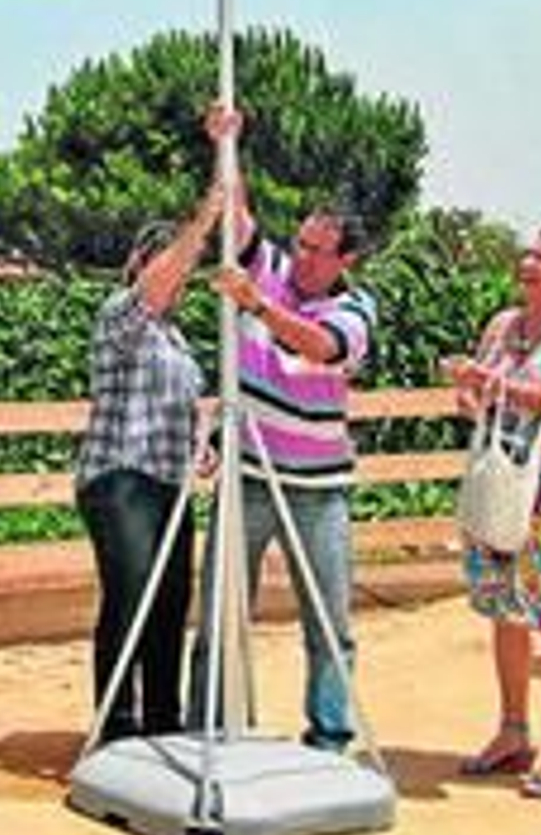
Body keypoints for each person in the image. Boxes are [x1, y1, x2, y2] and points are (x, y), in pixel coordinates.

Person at [190, 108, 376, 752]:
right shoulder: (265, 265)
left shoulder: (354, 309)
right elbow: (237, 215)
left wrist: (258, 307)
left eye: (318, 250)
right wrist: (227, 145)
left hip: (319, 488)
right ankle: (209, 726)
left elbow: (322, 348)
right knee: (219, 611)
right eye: (299, 243)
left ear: (345, 258)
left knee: (328, 620)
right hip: (247, 474)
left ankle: (331, 736)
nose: (301, 257)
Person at [444, 226, 541, 799]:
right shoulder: (503, 325)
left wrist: (482, 380)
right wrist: (469, 393)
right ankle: (514, 730)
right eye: (530, 253)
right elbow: (479, 400)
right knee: (504, 604)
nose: (528, 261)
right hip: (504, 470)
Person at [76, 181, 223, 743]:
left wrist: (197, 445)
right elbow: (160, 280)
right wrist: (210, 211)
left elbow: (175, 406)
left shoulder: (176, 337)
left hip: (168, 483)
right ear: (142, 265)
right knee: (131, 597)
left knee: (168, 605)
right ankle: (115, 727)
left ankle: (164, 723)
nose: (181, 278)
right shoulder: (122, 314)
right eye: (171, 267)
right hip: (121, 478)